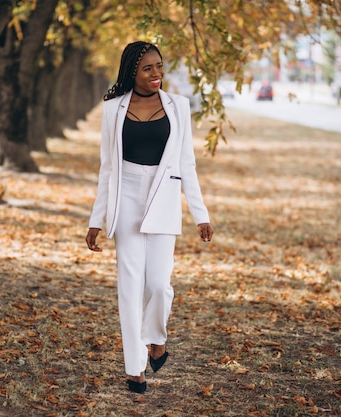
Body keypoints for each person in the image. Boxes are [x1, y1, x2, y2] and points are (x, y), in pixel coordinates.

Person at [85, 41, 214, 394]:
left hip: (163, 196)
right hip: (125, 195)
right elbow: (107, 168)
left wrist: (200, 214)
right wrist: (97, 219)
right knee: (129, 286)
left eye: (159, 66)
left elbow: (187, 163)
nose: (156, 74)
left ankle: (156, 337)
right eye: (147, 68)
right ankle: (134, 367)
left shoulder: (179, 106)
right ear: (132, 72)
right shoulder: (113, 109)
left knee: (158, 284)